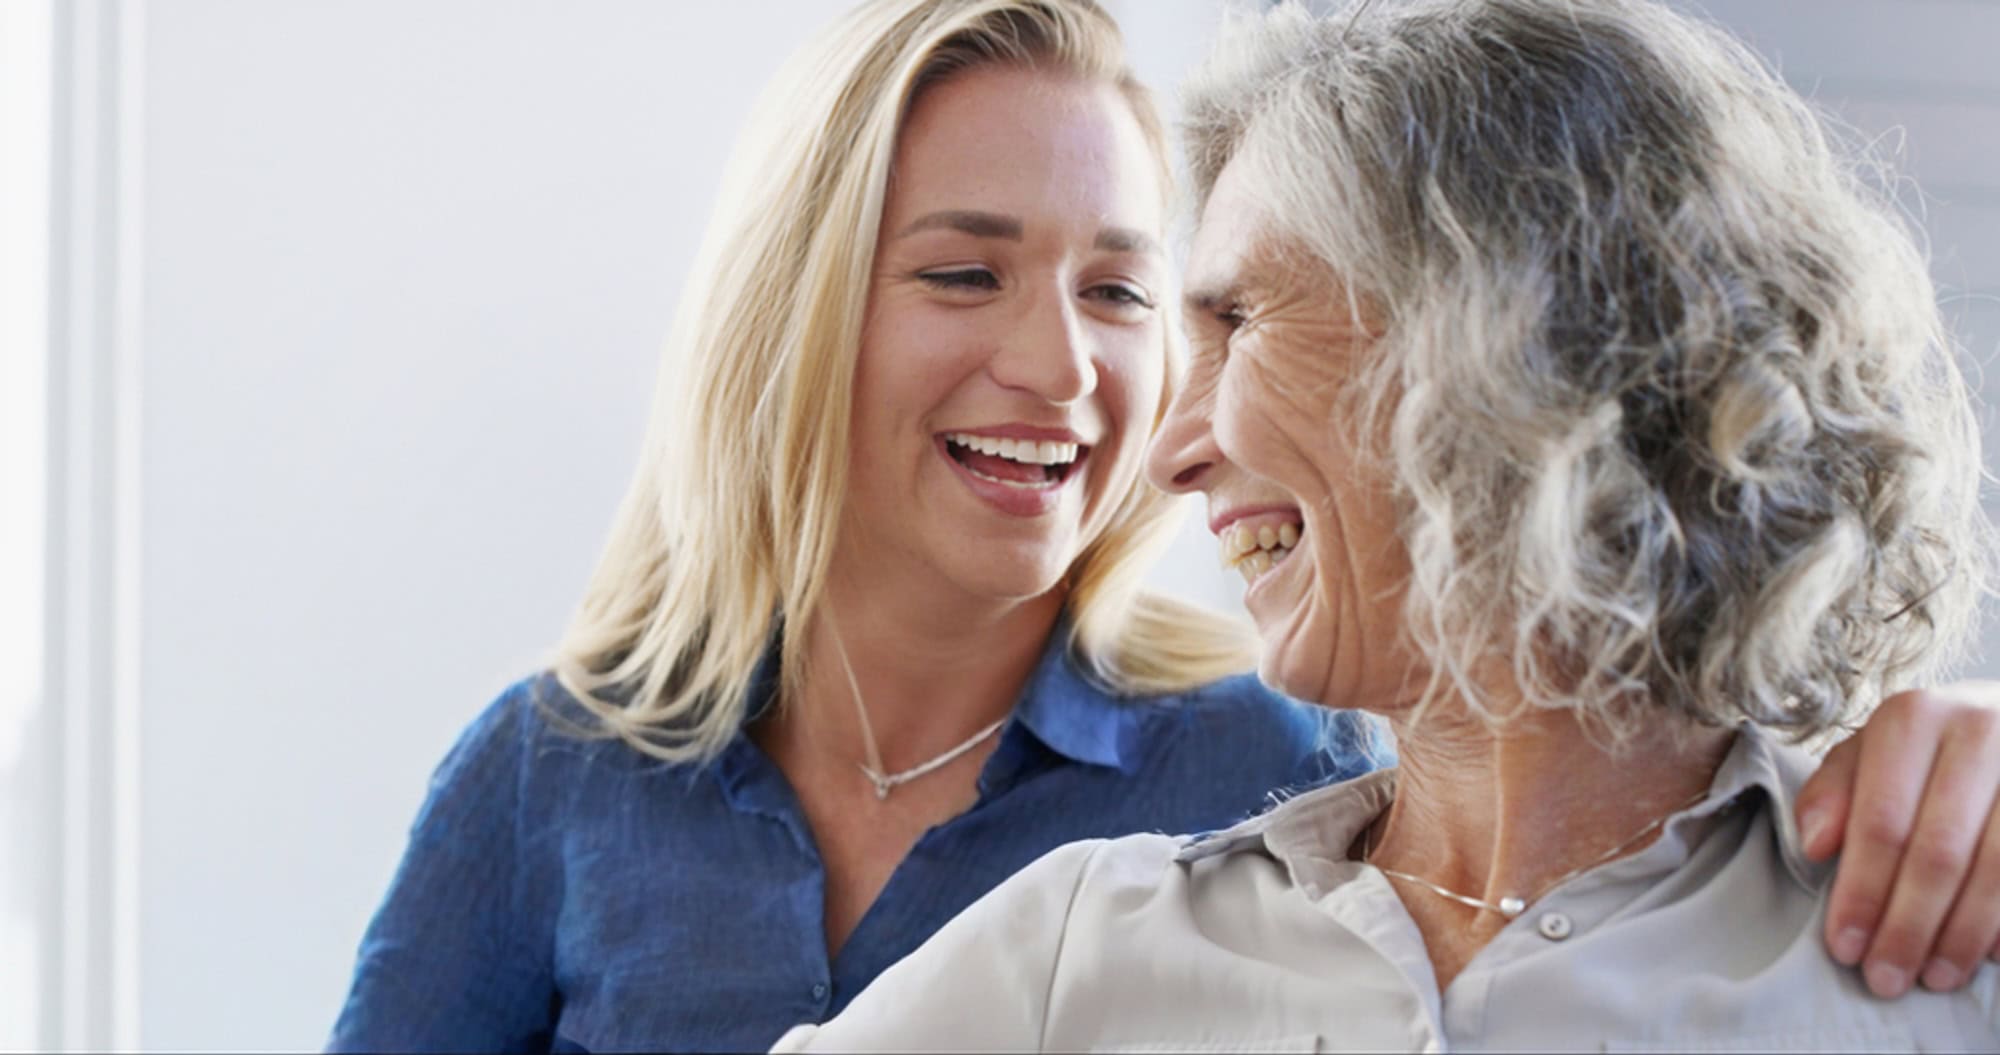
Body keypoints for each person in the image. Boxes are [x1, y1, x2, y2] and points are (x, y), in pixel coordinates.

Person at [331, 1, 2000, 1051]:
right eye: (963, 271)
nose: (1118, 405)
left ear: (1509, 352)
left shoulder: (1273, 752)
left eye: (1159, 301)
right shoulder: (1084, 939)